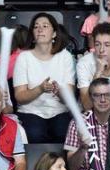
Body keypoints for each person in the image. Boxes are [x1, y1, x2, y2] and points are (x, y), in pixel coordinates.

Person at [12, 13, 75, 144]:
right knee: (35, 134)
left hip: (59, 111)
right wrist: (40, 89)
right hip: (30, 111)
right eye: (36, 27)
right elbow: (20, 97)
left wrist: (59, 92)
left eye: (45, 26)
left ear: (54, 34)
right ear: (33, 34)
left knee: (63, 132)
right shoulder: (24, 58)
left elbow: (70, 97)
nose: (40, 29)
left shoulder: (65, 57)